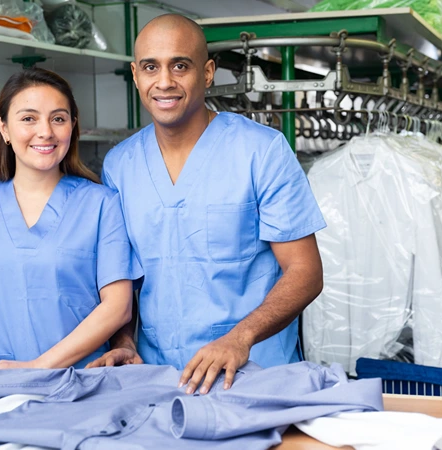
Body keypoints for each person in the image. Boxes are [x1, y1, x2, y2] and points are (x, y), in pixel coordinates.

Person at [90, 14, 326, 395]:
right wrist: (123, 343)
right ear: (136, 75)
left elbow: (305, 272)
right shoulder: (120, 165)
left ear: (208, 72)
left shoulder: (260, 151)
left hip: (255, 376)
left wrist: (240, 338)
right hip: (159, 378)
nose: (164, 82)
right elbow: (121, 279)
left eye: (180, 65)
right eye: (151, 67)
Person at [0, 68, 142, 371]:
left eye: (58, 118)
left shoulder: (101, 204)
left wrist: (37, 367)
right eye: (28, 118)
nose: (46, 131)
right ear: (4, 128)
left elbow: (118, 307)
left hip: (81, 381)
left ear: (72, 127)